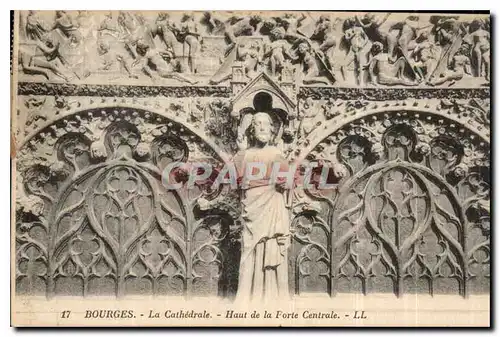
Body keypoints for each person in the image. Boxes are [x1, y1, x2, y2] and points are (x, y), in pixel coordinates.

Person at [233, 112, 290, 303]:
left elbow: (285, 182)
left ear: (273, 129)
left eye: (266, 124)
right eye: (258, 124)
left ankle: (273, 298)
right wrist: (241, 152)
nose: (263, 127)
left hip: (272, 205)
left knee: (271, 246)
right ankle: (247, 298)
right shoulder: (246, 154)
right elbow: (237, 178)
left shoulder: (276, 153)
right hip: (252, 209)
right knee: (249, 252)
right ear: (252, 129)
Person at [132, 40, 198, 84]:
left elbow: (166, 52)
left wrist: (170, 55)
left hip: (166, 67)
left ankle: (185, 79)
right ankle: (190, 80)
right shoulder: (147, 55)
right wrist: (151, 74)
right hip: (161, 70)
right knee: (175, 74)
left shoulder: (155, 50)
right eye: (143, 45)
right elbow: (144, 66)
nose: (145, 45)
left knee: (175, 71)